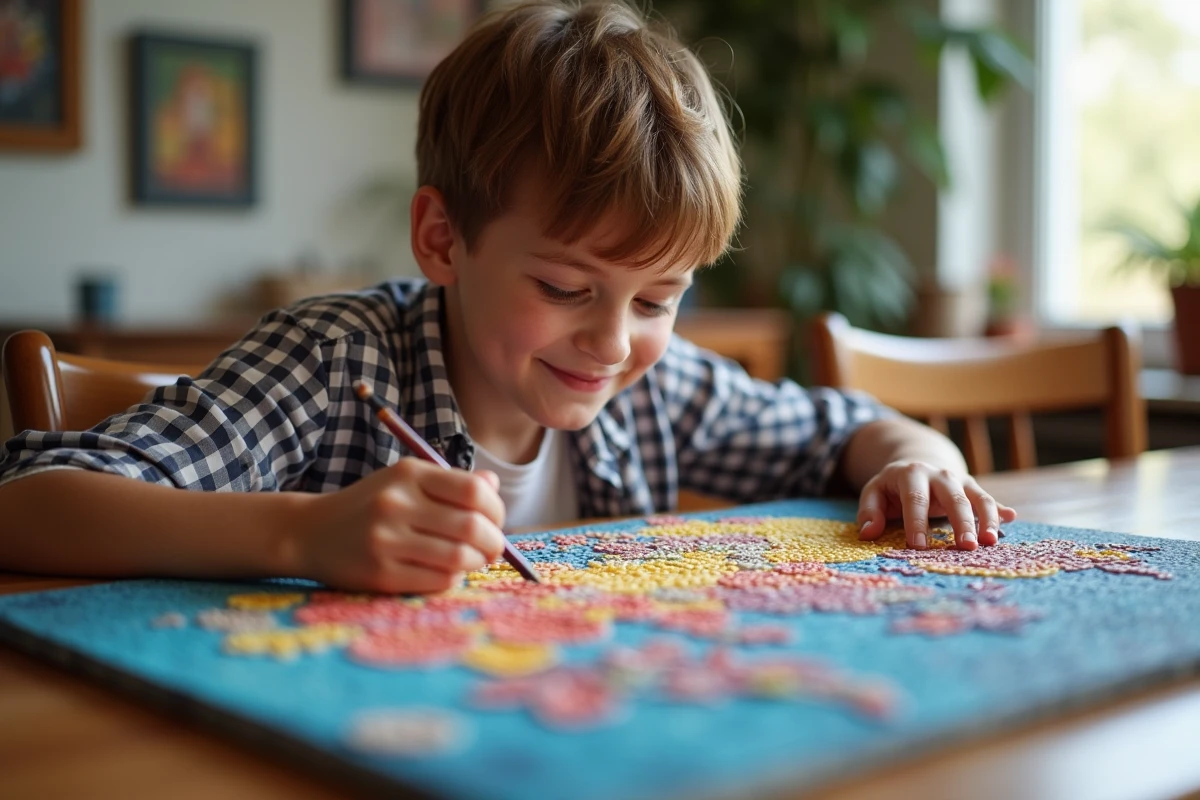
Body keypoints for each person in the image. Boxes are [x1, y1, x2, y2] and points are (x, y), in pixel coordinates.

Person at [0, 1, 1014, 594]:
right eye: (568, 285)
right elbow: (28, 506)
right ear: (443, 238)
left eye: (660, 298)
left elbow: (846, 428)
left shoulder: (654, 390)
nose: (614, 341)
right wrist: (299, 534)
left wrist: (921, 461)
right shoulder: (336, 361)